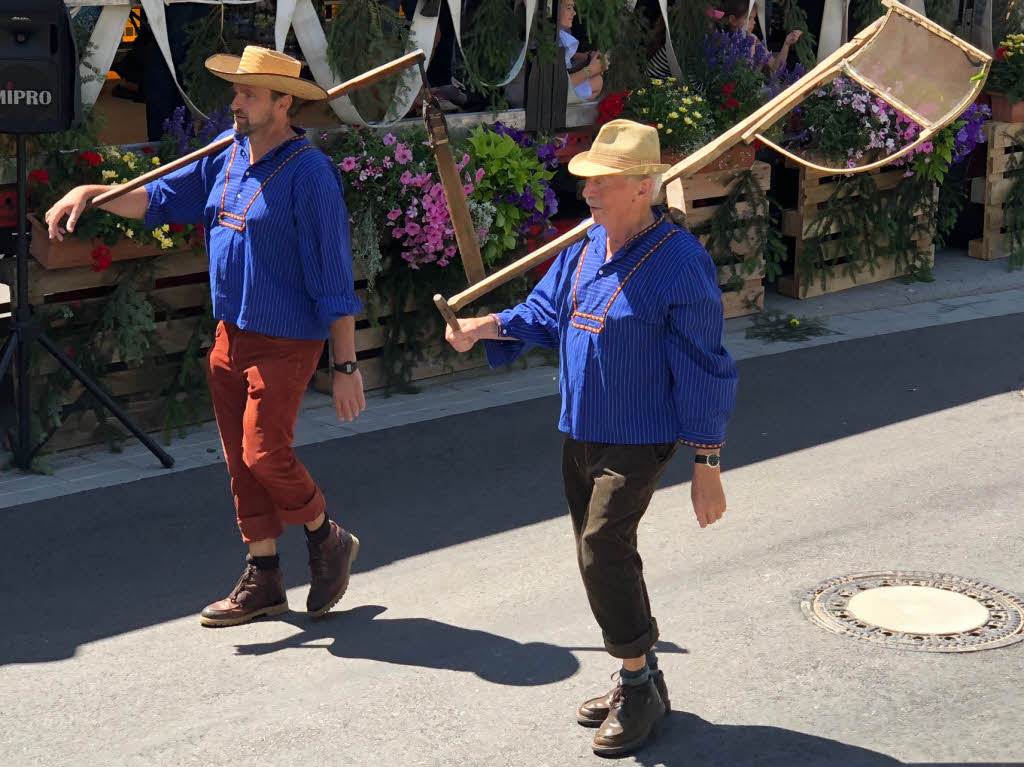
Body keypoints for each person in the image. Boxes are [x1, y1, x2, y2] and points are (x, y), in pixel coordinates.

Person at [444, 119, 738, 756]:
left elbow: (705, 365)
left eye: (602, 181)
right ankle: (645, 676)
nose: (588, 191)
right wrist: (486, 326)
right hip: (580, 428)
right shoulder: (585, 248)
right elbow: (545, 316)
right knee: (598, 552)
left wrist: (707, 461)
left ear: (642, 186)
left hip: (640, 433)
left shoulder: (681, 264)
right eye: (587, 179)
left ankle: (637, 684)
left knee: (602, 546)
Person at [44, 47, 366, 628]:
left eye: (248, 94)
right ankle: (264, 575)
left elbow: (333, 276)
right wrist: (93, 190)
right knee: (240, 463)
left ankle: (326, 535)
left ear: (283, 102)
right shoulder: (229, 154)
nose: (235, 103)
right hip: (230, 334)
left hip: (286, 340)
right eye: (236, 92)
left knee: (265, 452)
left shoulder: (310, 175)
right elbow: (161, 199)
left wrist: (345, 366)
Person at [722, 0, 802, 73]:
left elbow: (776, 68)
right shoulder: (723, 42)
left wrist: (786, 44)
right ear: (733, 20)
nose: (754, 22)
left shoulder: (753, 39)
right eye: (749, 18)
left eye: (754, 18)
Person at [558, 0, 607, 103]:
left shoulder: (559, 34)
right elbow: (556, 85)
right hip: (548, 99)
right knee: (597, 81)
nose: (574, 13)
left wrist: (586, 57)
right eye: (568, 8)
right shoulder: (550, 40)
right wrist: (590, 70)